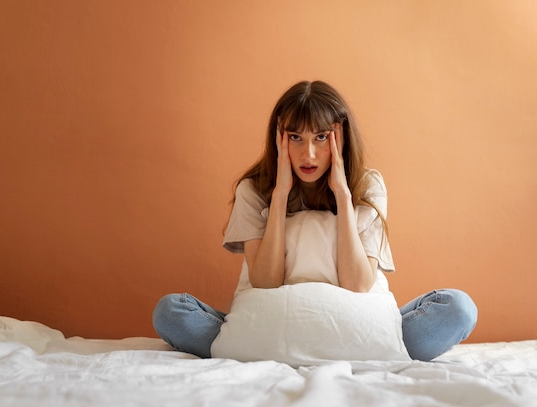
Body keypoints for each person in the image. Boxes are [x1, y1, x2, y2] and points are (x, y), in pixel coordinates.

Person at [153, 80, 477, 361]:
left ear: (341, 137)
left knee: (457, 309)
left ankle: (274, 349)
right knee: (171, 312)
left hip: (356, 326)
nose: (308, 154)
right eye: (295, 137)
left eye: (321, 138)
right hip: (271, 323)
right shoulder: (254, 189)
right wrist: (280, 195)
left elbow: (358, 284)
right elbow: (265, 281)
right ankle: (280, 345)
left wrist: (343, 195)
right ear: (279, 137)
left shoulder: (368, 185)